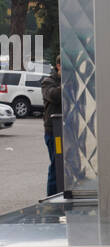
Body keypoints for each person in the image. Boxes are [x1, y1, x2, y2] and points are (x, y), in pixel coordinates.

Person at [41, 55, 62, 196]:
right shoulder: (48, 81)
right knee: (56, 166)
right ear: (59, 65)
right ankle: (52, 198)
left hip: (69, 130)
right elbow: (53, 95)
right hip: (55, 132)